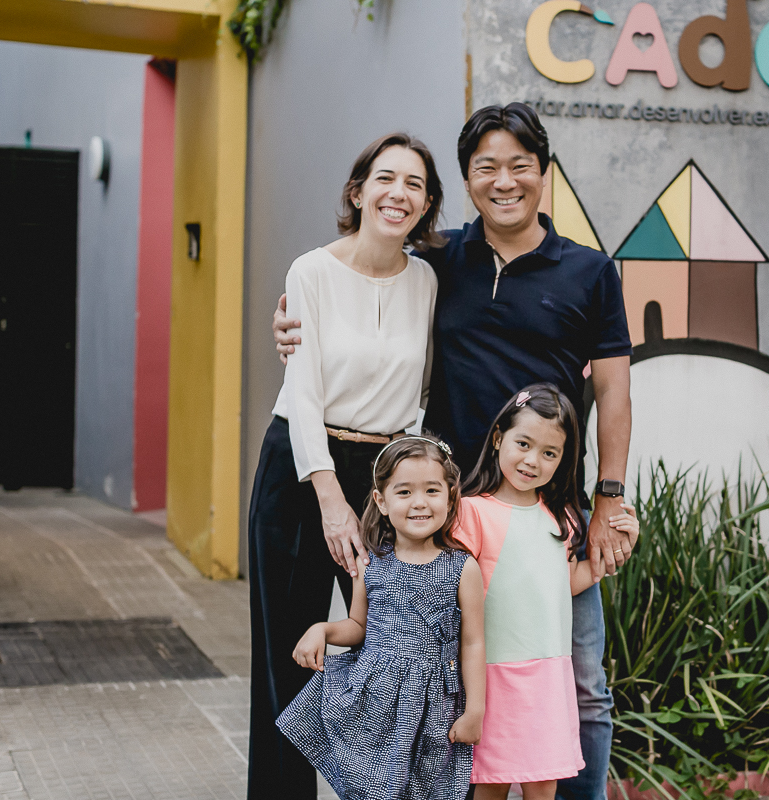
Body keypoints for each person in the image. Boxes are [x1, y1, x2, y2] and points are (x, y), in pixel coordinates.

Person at [274, 103, 634, 800]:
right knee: (451, 678)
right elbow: (357, 281)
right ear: (466, 182)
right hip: (448, 517)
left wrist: (609, 502)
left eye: (519, 166)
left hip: (547, 513)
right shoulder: (438, 261)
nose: (505, 181)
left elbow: (615, 395)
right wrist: (291, 318)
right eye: (486, 168)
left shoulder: (590, 272)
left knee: (580, 684)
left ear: (543, 173)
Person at [249, 132, 445, 800]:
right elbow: (301, 393)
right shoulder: (310, 272)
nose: (400, 194)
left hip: (385, 475)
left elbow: (420, 397)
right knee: (290, 660)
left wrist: (400, 491)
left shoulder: (427, 280)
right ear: (358, 191)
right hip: (304, 469)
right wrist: (331, 499)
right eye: (386, 178)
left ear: (426, 205)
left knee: (395, 652)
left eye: (415, 184)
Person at [276, 435, 486, 800]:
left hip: (433, 707)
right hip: (376, 701)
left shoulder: (462, 568)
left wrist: (476, 711)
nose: (419, 503)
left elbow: (473, 642)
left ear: (451, 497)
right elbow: (358, 626)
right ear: (381, 501)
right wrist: (321, 629)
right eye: (404, 492)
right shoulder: (370, 562)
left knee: (427, 790)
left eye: (432, 491)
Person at [453, 385, 637, 800]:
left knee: (544, 784)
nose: (533, 461)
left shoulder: (562, 517)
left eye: (549, 453)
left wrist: (618, 550)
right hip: (493, 679)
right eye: (523, 444)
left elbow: (564, 582)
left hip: (548, 680)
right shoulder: (471, 512)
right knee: (490, 787)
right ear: (499, 437)